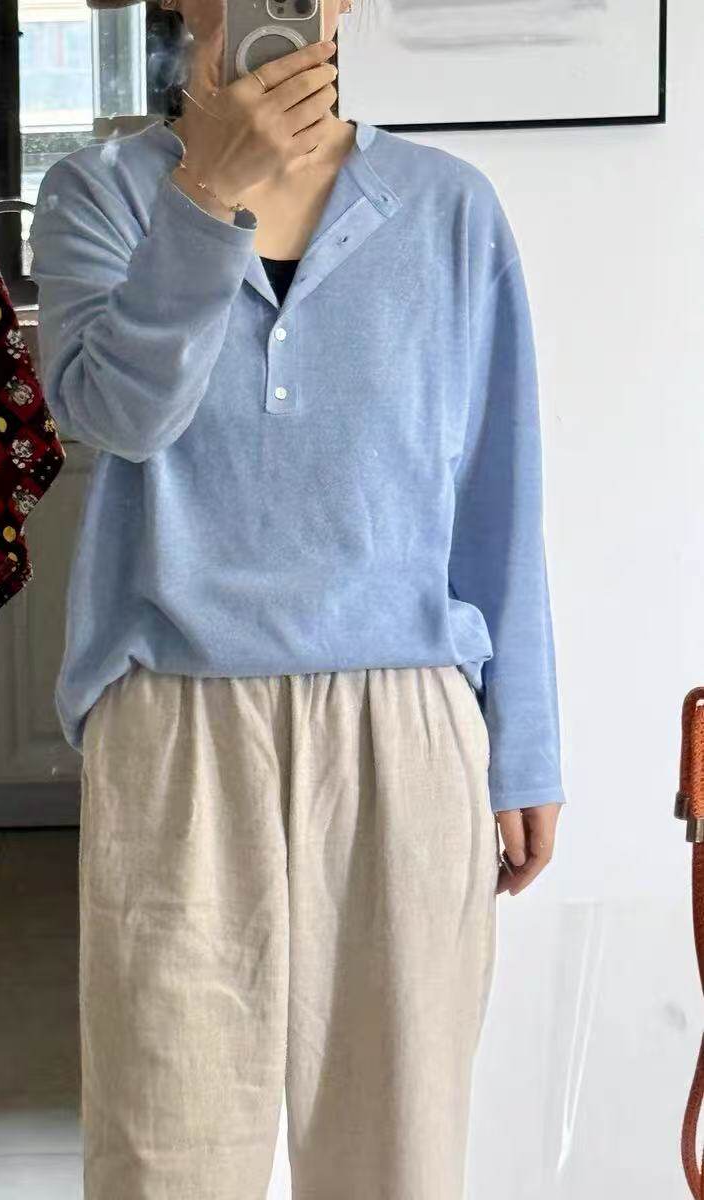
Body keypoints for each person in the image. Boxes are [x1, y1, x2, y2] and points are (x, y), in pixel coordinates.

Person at [29, 0, 566, 1195]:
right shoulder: (99, 196)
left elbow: (498, 492)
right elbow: (116, 417)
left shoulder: (449, 209)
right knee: (165, 1159)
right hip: (178, 728)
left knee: (398, 1155)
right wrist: (205, 200)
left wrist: (524, 745)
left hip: (402, 724)